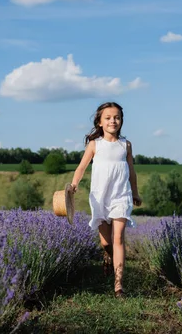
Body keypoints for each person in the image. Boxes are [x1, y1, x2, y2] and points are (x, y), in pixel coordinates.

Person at [70, 101, 142, 298]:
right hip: (100, 195)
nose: (113, 121)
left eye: (117, 117)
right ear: (100, 122)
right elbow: (81, 167)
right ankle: (108, 256)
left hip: (121, 194)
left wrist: (134, 192)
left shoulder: (125, 145)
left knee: (118, 238)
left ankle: (118, 286)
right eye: (108, 118)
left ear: (122, 121)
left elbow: (132, 171)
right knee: (105, 242)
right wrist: (74, 184)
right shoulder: (95, 145)